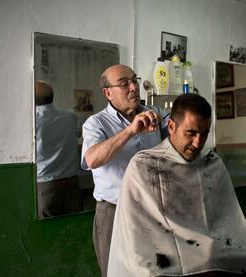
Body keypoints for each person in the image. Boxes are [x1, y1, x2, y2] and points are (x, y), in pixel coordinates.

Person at [108, 94, 246, 277]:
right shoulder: (145, 166)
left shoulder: (211, 162)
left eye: (204, 134)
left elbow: (227, 222)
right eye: (191, 134)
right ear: (172, 127)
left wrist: (211, 255)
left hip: (215, 254)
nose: (198, 143)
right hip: (167, 263)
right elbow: (139, 237)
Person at [81, 64, 169, 277]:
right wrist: (130, 131)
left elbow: (178, 132)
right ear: (107, 93)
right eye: (124, 84)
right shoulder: (96, 123)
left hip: (154, 208)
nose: (133, 87)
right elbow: (92, 159)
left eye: (134, 80)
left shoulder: (154, 113)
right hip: (113, 211)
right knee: (116, 272)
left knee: (158, 271)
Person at [35, 80, 81, 218]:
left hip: (46, 185)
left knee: (47, 230)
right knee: (74, 225)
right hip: (72, 182)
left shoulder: (33, 121)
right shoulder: (70, 116)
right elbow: (78, 134)